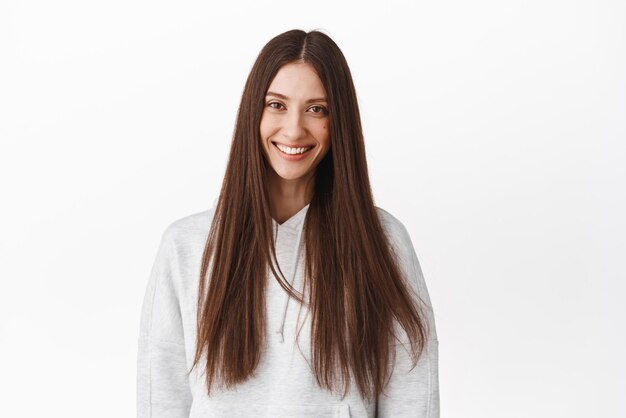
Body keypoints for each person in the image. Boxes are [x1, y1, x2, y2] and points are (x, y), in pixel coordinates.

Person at [137, 28, 440, 418]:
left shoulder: (380, 243)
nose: (294, 129)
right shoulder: (187, 246)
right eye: (277, 104)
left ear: (339, 123)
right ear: (254, 112)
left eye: (317, 109)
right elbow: (160, 399)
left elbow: (413, 396)